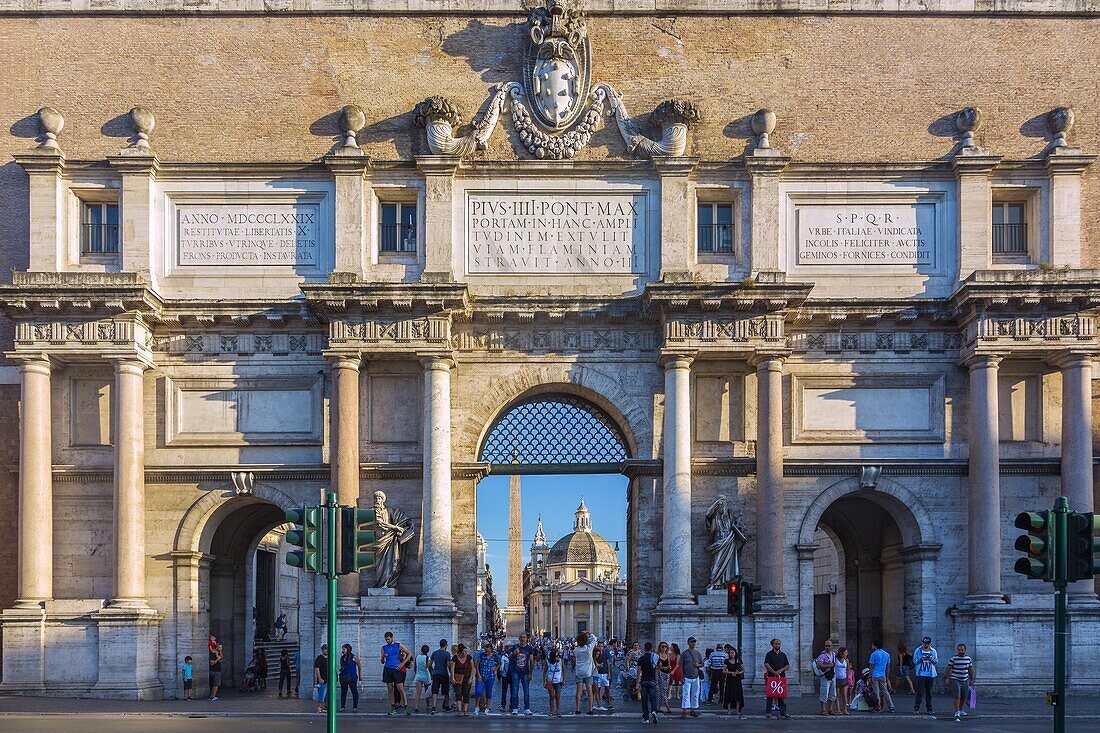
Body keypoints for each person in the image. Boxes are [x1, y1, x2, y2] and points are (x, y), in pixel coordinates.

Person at [380, 631, 412, 716]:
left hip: (396, 669)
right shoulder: (384, 647)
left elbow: (409, 653)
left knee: (400, 689)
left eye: (389, 639)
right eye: (386, 640)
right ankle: (392, 706)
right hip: (387, 669)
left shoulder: (398, 645)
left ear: (392, 638)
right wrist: (383, 656)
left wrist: (402, 663)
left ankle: (406, 707)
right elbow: (382, 661)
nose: (388, 641)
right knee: (390, 689)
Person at [944, 643, 974, 724]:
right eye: (959, 650)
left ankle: (961, 710)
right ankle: (957, 712)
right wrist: (946, 678)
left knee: (964, 696)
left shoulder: (968, 659)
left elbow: (970, 669)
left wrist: (971, 679)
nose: (960, 651)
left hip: (965, 679)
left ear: (965, 650)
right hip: (955, 679)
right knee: (957, 696)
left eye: (962, 650)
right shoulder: (953, 659)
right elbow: (948, 669)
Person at [508, 632, 536, 716]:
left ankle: (527, 708)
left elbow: (531, 661)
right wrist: (514, 653)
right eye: (521, 637)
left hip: (525, 672)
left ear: (526, 639)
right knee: (514, 691)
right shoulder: (514, 647)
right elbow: (509, 657)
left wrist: (531, 673)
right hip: (515, 671)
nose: (523, 639)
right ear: (519, 639)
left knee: (526, 691)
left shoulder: (529, 648)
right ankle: (515, 708)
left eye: (524, 637)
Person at [763, 637, 790, 719]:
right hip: (771, 677)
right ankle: (768, 712)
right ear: (773, 645)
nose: (778, 645)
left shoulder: (783, 654)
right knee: (770, 695)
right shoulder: (769, 654)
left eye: (779, 644)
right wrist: (774, 672)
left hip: (781, 678)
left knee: (781, 695)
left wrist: (781, 670)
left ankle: (783, 712)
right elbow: (766, 664)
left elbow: (787, 665)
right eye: (776, 644)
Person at [677, 636, 704, 718]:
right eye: (692, 642)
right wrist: (681, 677)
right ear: (688, 643)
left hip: (696, 676)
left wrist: (698, 665)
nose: (693, 643)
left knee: (695, 694)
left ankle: (693, 710)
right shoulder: (684, 653)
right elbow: (681, 666)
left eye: (694, 642)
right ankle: (684, 711)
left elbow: (702, 663)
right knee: (685, 694)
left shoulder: (698, 653)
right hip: (687, 677)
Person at [573, 630, 598, 715]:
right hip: (588, 672)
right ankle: (590, 709)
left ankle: (578, 709)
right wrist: (588, 633)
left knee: (578, 691)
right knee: (589, 691)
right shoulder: (588, 649)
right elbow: (594, 639)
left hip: (579, 672)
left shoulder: (576, 650)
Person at [913, 636, 939, 716]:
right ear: (922, 643)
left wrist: (930, 659)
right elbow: (914, 661)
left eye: (927, 644)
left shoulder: (933, 651)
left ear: (929, 643)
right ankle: (917, 708)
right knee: (919, 692)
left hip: (930, 674)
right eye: (924, 643)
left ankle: (929, 708)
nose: (926, 645)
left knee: (929, 692)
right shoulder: (918, 650)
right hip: (921, 674)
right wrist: (921, 659)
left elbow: (936, 662)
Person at [869, 639, 895, 712]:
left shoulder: (873, 654)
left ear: (875, 646)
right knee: (885, 691)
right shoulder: (887, 654)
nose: (872, 646)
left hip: (875, 674)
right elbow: (888, 666)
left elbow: (871, 666)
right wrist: (887, 676)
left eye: (873, 644)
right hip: (882, 674)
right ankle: (891, 706)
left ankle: (878, 706)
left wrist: (870, 675)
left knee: (876, 691)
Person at [428, 639, 452, 714]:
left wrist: (432, 671)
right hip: (444, 674)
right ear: (446, 645)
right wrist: (451, 674)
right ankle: (446, 706)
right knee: (446, 691)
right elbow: (448, 665)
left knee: (434, 691)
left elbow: (429, 664)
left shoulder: (434, 653)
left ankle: (434, 707)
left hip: (436, 674)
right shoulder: (447, 654)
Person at [815, 639, 838, 715]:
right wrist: (828, 665)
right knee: (824, 692)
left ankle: (830, 709)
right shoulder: (822, 655)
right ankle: (823, 709)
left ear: (832, 646)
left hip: (832, 675)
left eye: (829, 646)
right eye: (826, 646)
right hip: (825, 675)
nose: (827, 647)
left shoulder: (833, 654)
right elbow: (819, 665)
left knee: (832, 693)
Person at [638, 641, 659, 724]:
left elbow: (638, 672)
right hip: (652, 681)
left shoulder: (641, 659)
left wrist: (637, 682)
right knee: (653, 698)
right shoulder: (654, 658)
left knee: (644, 700)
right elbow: (659, 666)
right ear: (651, 648)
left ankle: (646, 718)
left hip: (643, 681)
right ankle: (654, 711)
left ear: (644, 649)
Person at [450, 644, 474, 717]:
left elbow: (473, 668)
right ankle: (459, 710)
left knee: (466, 694)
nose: (466, 653)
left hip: (467, 679)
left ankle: (466, 710)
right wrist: (453, 678)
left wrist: (471, 678)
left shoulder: (469, 658)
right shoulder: (455, 658)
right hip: (458, 679)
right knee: (458, 694)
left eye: (466, 651)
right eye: (464, 651)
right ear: (460, 652)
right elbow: (452, 668)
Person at [474, 641, 498, 716]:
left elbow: (500, 662)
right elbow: (477, 665)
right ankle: (476, 707)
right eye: (486, 651)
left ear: (491, 650)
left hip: (490, 676)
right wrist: (478, 675)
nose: (486, 652)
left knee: (489, 692)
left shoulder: (494, 656)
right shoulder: (481, 655)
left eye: (488, 651)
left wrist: (496, 668)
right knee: (478, 691)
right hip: (481, 676)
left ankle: (487, 708)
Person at [722, 645, 745, 719]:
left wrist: (739, 673)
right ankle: (729, 710)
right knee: (729, 694)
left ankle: (737, 710)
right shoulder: (727, 661)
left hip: (737, 680)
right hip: (730, 680)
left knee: (738, 695)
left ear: (735, 653)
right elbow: (724, 671)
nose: (731, 654)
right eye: (730, 653)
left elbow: (743, 670)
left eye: (732, 653)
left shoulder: (739, 660)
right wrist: (730, 673)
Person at [339, 644, 362, 713]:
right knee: (343, 692)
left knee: (354, 691)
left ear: (348, 649)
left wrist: (360, 675)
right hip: (343, 676)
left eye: (344, 649)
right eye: (342, 649)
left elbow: (359, 665)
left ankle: (355, 706)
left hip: (352, 677)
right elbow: (342, 666)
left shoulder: (353, 657)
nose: (343, 651)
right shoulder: (342, 658)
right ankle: (342, 706)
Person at [543, 647, 564, 718]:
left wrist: (564, 679)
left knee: (558, 697)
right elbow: (544, 671)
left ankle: (558, 711)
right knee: (551, 696)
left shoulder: (561, 661)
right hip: (550, 681)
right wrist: (544, 681)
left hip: (558, 681)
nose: (557, 658)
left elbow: (564, 670)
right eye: (556, 656)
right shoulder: (548, 662)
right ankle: (551, 711)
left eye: (558, 656)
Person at [655, 641, 672, 715]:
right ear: (660, 647)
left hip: (667, 674)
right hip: (660, 673)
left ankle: (658, 707)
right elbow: (655, 666)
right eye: (662, 646)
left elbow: (669, 665)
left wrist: (668, 667)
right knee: (663, 690)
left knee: (663, 690)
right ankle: (667, 707)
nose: (664, 648)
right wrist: (661, 667)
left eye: (665, 646)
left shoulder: (667, 655)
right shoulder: (657, 655)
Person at [835, 647, 851, 715]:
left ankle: (844, 709)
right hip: (836, 678)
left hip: (844, 678)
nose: (847, 654)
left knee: (844, 695)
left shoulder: (846, 660)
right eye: (845, 652)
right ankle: (838, 709)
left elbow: (848, 670)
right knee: (837, 694)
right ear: (841, 653)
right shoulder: (835, 659)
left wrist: (848, 678)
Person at [314, 644, 330, 714]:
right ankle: (319, 708)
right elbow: (317, 669)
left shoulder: (330, 657)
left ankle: (326, 707)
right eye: (325, 649)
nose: (327, 651)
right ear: (322, 650)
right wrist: (319, 678)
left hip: (330, 679)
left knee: (327, 695)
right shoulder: (319, 658)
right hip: (323, 680)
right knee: (321, 695)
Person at [668, 642, 683, 708]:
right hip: (671, 668)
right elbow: (668, 662)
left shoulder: (678, 655)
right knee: (670, 681)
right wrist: (669, 668)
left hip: (676, 669)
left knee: (677, 682)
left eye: (671, 646)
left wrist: (673, 670)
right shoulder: (669, 654)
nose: (670, 647)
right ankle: (669, 694)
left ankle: (677, 694)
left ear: (674, 648)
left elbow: (678, 664)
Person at [498, 645, 511, 712]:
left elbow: (502, 667)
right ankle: (512, 705)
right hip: (511, 676)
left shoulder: (503, 657)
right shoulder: (513, 657)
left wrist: (501, 672)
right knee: (512, 691)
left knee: (504, 691)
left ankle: (503, 705)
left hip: (505, 676)